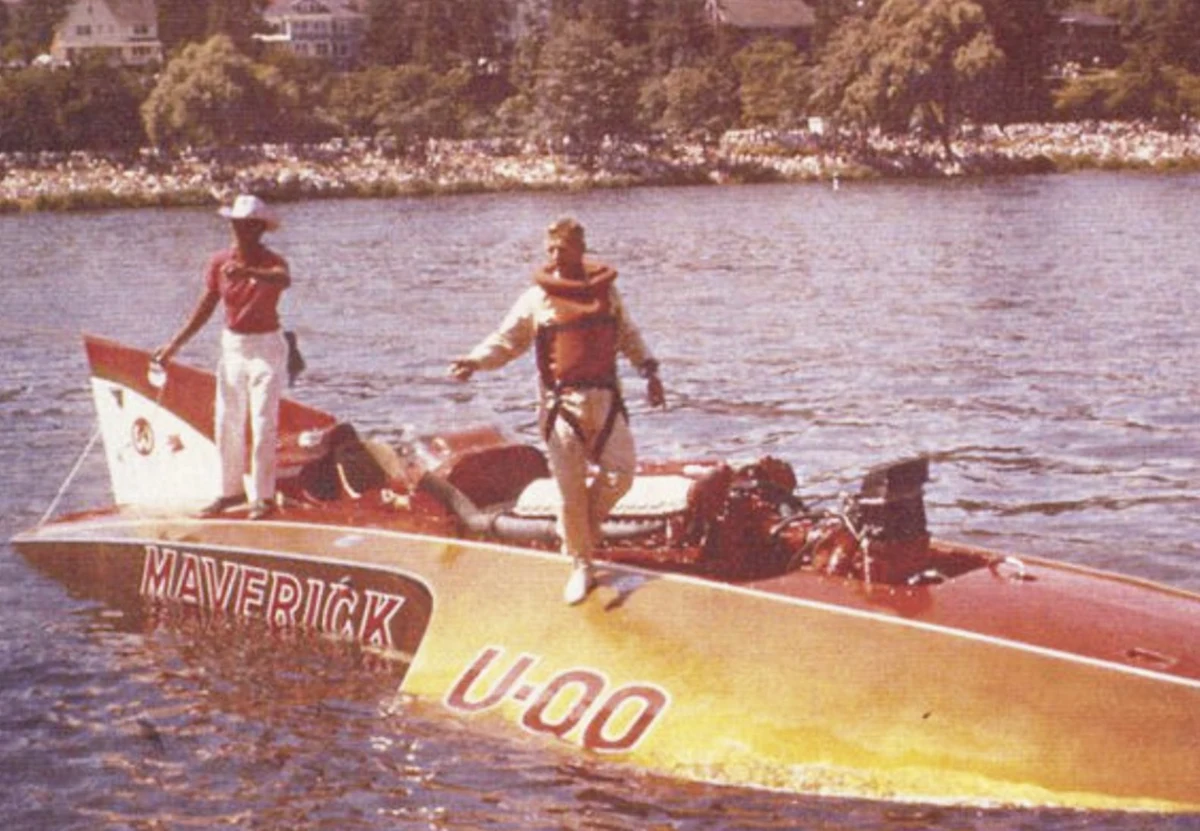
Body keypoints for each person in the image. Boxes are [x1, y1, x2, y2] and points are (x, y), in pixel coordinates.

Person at [450, 217, 665, 604]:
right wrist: (475, 360)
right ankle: (581, 564)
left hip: (606, 400)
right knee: (570, 491)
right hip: (561, 407)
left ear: (580, 248)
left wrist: (649, 370)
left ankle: (582, 530)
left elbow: (628, 335)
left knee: (621, 473)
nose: (554, 255)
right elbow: (507, 340)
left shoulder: (607, 292)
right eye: (549, 249)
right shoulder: (537, 298)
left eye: (561, 248)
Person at [154, 194, 291, 521]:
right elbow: (206, 306)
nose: (238, 232)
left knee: (263, 421)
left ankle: (263, 496)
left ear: (259, 229)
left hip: (266, 348)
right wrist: (174, 345)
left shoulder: (273, 262)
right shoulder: (219, 262)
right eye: (235, 225)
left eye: (246, 226)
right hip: (233, 347)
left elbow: (283, 279)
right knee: (227, 420)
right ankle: (230, 492)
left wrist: (249, 272)